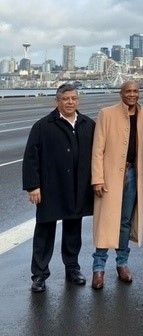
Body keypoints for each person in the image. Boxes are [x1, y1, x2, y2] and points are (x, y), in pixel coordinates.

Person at [22, 84, 95, 293]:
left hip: (77, 187)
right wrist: (33, 186)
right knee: (45, 231)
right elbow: (30, 158)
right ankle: (39, 275)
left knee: (73, 230)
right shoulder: (43, 126)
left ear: (77, 100)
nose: (70, 102)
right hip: (51, 187)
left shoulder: (88, 124)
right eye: (66, 99)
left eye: (73, 98)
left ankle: (72, 269)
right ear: (57, 101)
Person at [90, 81, 143, 290]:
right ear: (121, 93)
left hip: (134, 173)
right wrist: (97, 178)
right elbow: (98, 149)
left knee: (125, 221)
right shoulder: (106, 114)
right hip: (110, 175)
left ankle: (122, 264)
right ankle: (98, 268)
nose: (132, 95)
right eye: (128, 91)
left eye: (135, 91)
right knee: (106, 221)